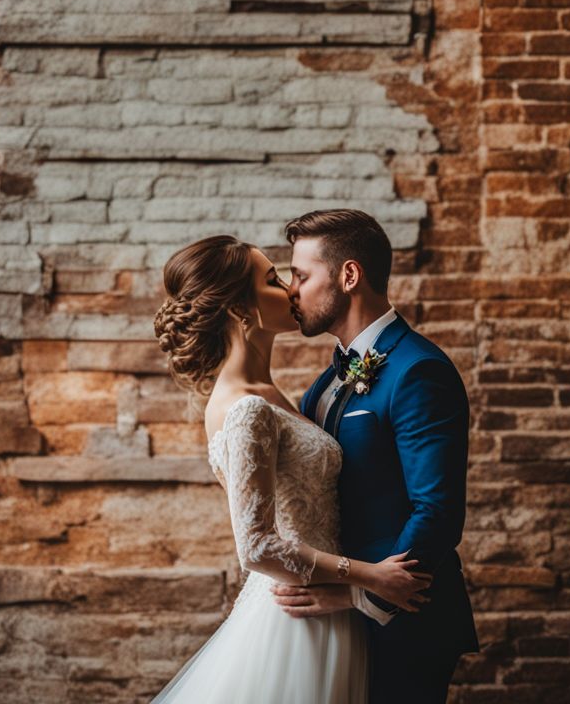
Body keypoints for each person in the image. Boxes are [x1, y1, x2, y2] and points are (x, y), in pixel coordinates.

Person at [148, 234, 431, 704]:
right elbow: (256, 546)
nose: (291, 290)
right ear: (241, 309)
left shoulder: (278, 395)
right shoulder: (246, 409)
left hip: (330, 608)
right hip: (294, 620)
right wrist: (369, 577)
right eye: (274, 279)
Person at [269, 209, 479, 704]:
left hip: (405, 627)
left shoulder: (419, 371)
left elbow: (437, 512)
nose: (291, 290)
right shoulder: (327, 381)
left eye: (301, 275)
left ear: (348, 276)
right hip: (336, 620)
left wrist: (357, 595)